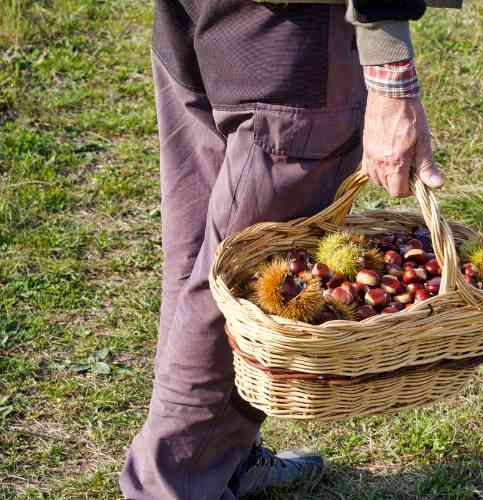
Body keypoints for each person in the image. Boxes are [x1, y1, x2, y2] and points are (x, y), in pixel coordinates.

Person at [120, 1, 461, 498]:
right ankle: (171, 487)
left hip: (203, 15)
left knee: (205, 259)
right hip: (288, 37)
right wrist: (390, 71)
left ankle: (220, 462)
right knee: (248, 289)